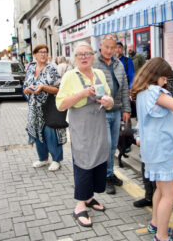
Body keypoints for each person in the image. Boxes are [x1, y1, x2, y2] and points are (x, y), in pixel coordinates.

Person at [131, 57, 173, 241]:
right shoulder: (155, 91)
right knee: (170, 194)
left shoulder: (143, 92)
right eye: (164, 77)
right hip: (162, 150)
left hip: (152, 150)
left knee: (160, 190)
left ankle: (155, 225)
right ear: (156, 75)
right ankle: (161, 235)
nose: (166, 81)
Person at [56, 41, 114, 227]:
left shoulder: (99, 73)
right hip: (81, 126)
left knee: (98, 158)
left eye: (87, 53)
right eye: (79, 54)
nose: (83, 57)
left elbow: (109, 97)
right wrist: (81, 93)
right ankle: (79, 205)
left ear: (93, 56)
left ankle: (89, 197)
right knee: (83, 162)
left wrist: (108, 102)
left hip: (98, 124)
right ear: (74, 58)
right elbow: (60, 104)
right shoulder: (69, 76)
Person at [93, 34, 131, 195]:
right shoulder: (94, 63)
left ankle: (109, 173)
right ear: (101, 46)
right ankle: (106, 176)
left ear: (116, 47)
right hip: (101, 112)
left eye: (112, 47)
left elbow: (123, 89)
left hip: (116, 111)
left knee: (113, 145)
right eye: (106, 47)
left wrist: (127, 110)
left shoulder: (118, 64)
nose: (109, 51)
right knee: (107, 145)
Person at [24, 44, 65, 172]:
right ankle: (43, 159)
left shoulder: (52, 69)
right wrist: (26, 90)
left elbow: (59, 89)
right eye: (40, 52)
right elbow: (25, 86)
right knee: (37, 133)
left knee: (51, 133)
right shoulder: (31, 68)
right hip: (34, 108)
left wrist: (43, 87)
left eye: (45, 52)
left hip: (49, 107)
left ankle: (56, 160)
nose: (43, 54)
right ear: (35, 55)